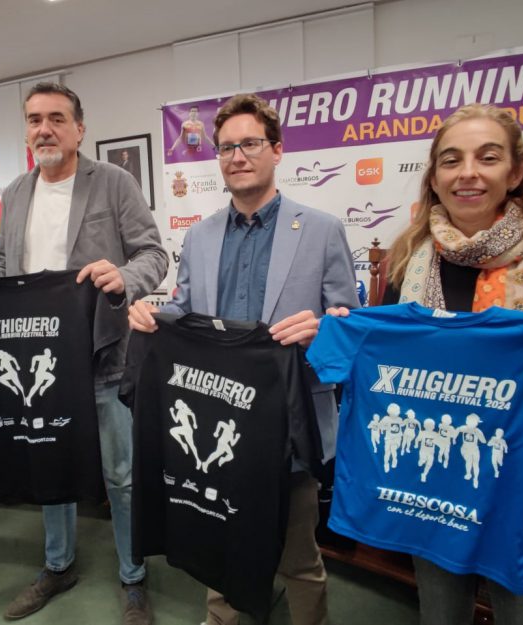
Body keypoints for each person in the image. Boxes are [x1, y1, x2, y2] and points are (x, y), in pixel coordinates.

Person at [378, 103, 523, 625]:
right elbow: (383, 378)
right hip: (437, 492)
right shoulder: (406, 263)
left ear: (513, 172)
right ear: (434, 180)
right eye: (451, 160)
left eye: (487, 157)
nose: (468, 172)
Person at [0, 82, 167, 625]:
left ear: (79, 128)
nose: (45, 128)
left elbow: (153, 253)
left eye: (57, 119)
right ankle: (58, 565)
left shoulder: (114, 183)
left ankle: (134, 577)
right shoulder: (16, 193)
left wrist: (124, 276)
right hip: (39, 367)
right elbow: (4, 273)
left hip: (104, 358)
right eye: (35, 119)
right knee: (49, 463)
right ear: (26, 129)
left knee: (121, 475)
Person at [129, 93, 358, 625]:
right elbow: (186, 309)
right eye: (227, 147)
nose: (237, 156)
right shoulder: (201, 234)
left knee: (298, 556)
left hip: (289, 421)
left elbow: (348, 328)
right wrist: (149, 315)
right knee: (218, 533)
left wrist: (322, 330)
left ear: (277, 150)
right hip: (218, 417)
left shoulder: (321, 229)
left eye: (250, 144)